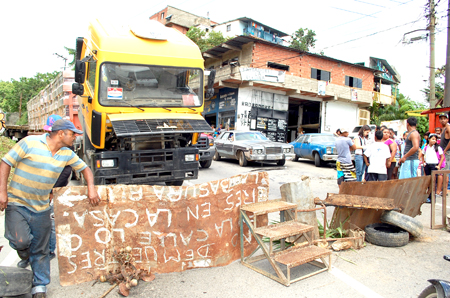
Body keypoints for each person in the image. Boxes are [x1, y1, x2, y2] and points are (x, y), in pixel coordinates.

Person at [0, 119, 100, 298]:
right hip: (17, 202)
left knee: (41, 248)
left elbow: (85, 169)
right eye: (73, 134)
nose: (75, 137)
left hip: (42, 208)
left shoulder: (66, 153)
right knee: (20, 241)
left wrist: (91, 189)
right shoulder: (30, 142)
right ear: (61, 133)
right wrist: (2, 193)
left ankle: (40, 286)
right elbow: (5, 163)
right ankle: (24, 254)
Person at [17, 115, 73, 269]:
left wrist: (50, 192)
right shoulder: (37, 145)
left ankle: (49, 251)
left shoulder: (66, 148)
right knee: (30, 223)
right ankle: (29, 255)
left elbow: (65, 172)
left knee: (50, 221)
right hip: (34, 192)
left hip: (53, 190)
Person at [420, 134, 445, 198]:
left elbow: (442, 157)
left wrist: (439, 165)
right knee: (429, 180)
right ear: (429, 139)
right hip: (428, 165)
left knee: (433, 180)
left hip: (434, 165)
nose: (434, 141)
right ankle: (429, 195)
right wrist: (424, 162)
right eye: (432, 139)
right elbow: (422, 155)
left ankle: (432, 196)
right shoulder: (426, 147)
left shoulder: (438, 148)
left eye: (435, 140)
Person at [439, 113, 450, 189]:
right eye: (441, 119)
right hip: (443, 153)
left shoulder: (448, 127)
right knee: (443, 171)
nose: (443, 120)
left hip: (447, 153)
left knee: (445, 172)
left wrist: (445, 150)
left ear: (447, 119)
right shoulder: (443, 128)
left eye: (444, 118)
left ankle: (445, 190)